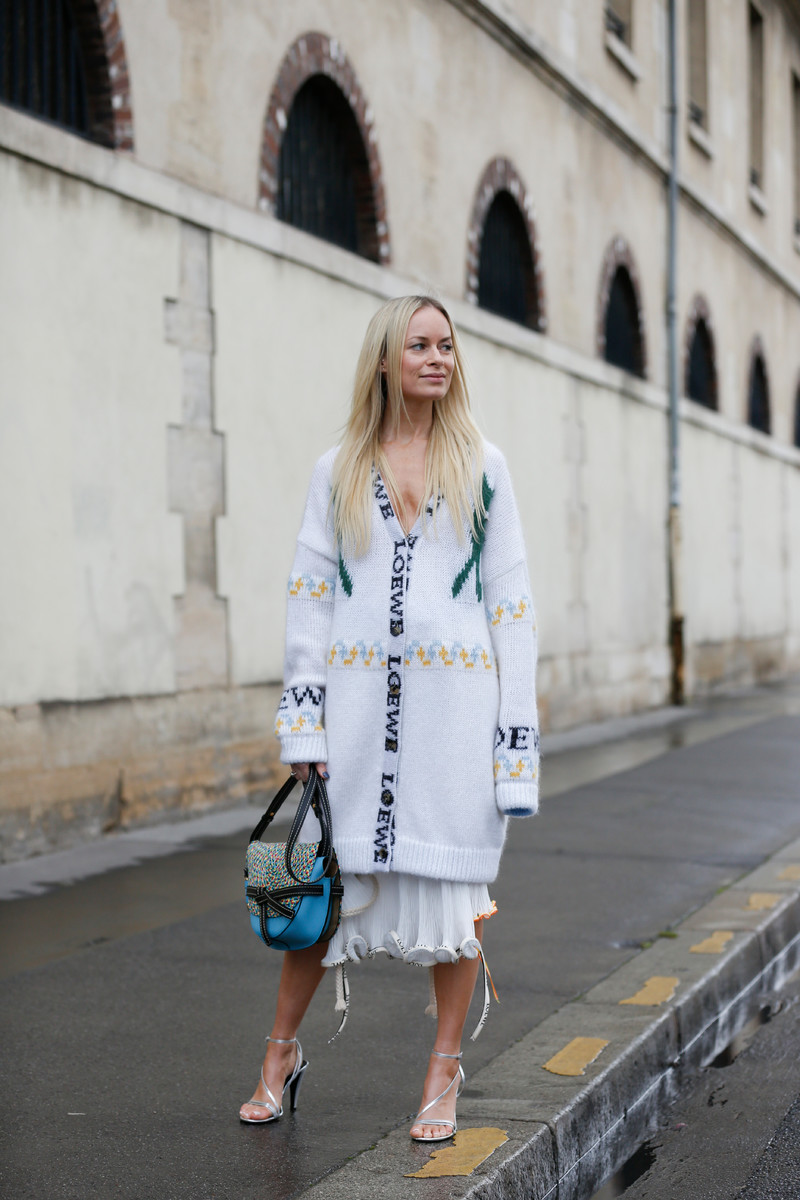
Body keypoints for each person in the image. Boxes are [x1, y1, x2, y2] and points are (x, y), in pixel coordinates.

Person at [239, 294, 539, 1140]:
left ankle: (443, 1073)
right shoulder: (337, 469)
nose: (438, 359)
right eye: (420, 346)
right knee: (318, 897)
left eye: (447, 346)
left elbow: (512, 605)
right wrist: (305, 726)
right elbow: (310, 599)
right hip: (357, 726)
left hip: (456, 727)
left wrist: (514, 744)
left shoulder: (484, 466)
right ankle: (279, 1054)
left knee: (457, 905)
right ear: (385, 359)